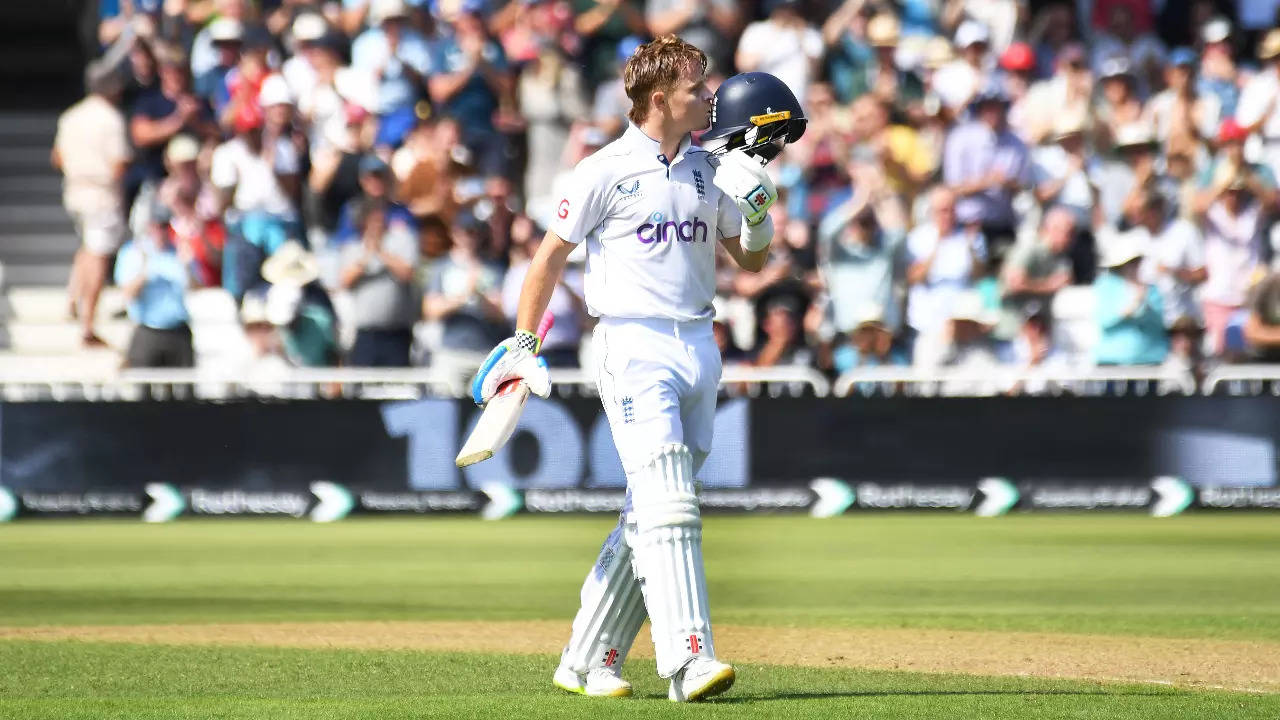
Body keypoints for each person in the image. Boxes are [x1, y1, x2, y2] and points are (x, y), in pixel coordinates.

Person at [470, 40, 801, 701]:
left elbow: (750, 262)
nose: (709, 97)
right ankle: (688, 661)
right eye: (695, 87)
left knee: (648, 511)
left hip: (698, 346)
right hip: (632, 344)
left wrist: (760, 218)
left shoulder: (711, 169)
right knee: (671, 504)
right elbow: (547, 260)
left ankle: (584, 659)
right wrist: (525, 344)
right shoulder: (604, 170)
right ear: (659, 100)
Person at [54, 60, 132, 348]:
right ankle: (88, 326)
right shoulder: (111, 119)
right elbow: (118, 165)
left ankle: (72, 300)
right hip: (101, 194)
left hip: (75, 191)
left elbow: (57, 157)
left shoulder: (71, 117)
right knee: (99, 255)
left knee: (88, 247)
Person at [114, 200, 196, 368]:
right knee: (143, 390)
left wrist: (187, 267)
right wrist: (145, 271)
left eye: (164, 226)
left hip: (178, 330)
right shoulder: (133, 253)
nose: (160, 231)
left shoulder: (179, 251)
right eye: (156, 225)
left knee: (185, 391)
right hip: (148, 330)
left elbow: (197, 288)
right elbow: (128, 294)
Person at [338, 200, 419, 366]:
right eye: (373, 220)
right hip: (365, 334)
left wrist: (381, 252)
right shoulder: (353, 247)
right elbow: (345, 281)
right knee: (361, 387)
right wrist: (367, 256)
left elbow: (407, 273)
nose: (378, 224)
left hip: (396, 333)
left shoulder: (402, 240)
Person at [1094, 229, 1168, 366]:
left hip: (1149, 360)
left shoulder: (1151, 289)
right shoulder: (1106, 286)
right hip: (1112, 362)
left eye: (1137, 261)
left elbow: (1159, 323)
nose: (1135, 266)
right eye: (1131, 262)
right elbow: (1104, 319)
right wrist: (1129, 309)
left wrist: (1145, 306)